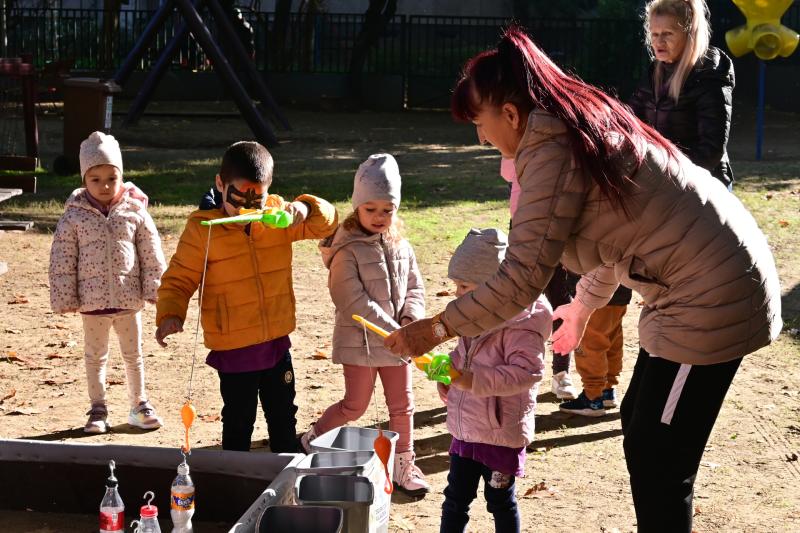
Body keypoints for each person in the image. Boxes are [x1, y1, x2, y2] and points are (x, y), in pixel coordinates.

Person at [385, 27, 781, 532]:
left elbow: (523, 275)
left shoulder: (548, 148)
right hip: (694, 285)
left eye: (479, 123)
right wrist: (584, 305)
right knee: (642, 425)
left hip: (715, 293)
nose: (480, 138)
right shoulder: (563, 131)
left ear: (509, 113)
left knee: (660, 454)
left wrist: (438, 328)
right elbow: (615, 234)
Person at [155, 141, 338, 452]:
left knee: (284, 414)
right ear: (219, 184)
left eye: (257, 199)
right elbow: (179, 277)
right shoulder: (203, 230)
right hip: (234, 345)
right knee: (239, 419)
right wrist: (171, 313)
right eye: (238, 197)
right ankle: (234, 475)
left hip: (275, 341)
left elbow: (328, 223)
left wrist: (304, 207)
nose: (245, 208)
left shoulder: (277, 220)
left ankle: (285, 468)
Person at [299, 154, 430, 496]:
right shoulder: (346, 251)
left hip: (399, 343)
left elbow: (416, 286)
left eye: (387, 209)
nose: (379, 217)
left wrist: (410, 323)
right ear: (357, 206)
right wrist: (395, 333)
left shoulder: (402, 246)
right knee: (355, 404)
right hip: (361, 344)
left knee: (402, 405)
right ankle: (313, 437)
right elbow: (353, 300)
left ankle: (403, 462)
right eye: (371, 209)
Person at [49, 131, 166, 434]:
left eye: (111, 178)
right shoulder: (74, 216)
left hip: (128, 300)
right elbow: (62, 259)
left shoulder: (134, 211)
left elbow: (151, 251)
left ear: (121, 176)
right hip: (92, 302)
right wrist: (65, 297)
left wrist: (154, 287)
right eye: (95, 179)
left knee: (134, 354)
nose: (104, 186)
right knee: (95, 356)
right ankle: (97, 409)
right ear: (84, 179)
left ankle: (140, 404)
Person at [438, 228, 550, 533]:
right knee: (455, 498)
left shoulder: (523, 325)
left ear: (492, 288)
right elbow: (463, 352)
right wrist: (446, 373)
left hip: (500, 433)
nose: (458, 294)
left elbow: (527, 372)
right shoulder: (472, 315)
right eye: (456, 285)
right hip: (466, 429)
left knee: (499, 500)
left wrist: (471, 380)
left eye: (465, 286)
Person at [630, 0, 735, 189]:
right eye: (654, 34)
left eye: (668, 34)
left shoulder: (709, 77)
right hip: (662, 181)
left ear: (689, 35)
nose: (658, 41)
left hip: (705, 186)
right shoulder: (653, 74)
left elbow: (710, 150)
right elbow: (630, 123)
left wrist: (667, 172)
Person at [501, 157, 577, 400]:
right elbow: (508, 173)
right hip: (524, 231)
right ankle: (509, 368)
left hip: (556, 230)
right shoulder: (514, 147)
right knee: (516, 301)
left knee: (561, 301)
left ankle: (561, 373)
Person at [559, 285, 632, 417]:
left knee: (590, 344)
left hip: (595, 293)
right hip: (620, 292)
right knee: (611, 340)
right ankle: (607, 391)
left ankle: (592, 398)